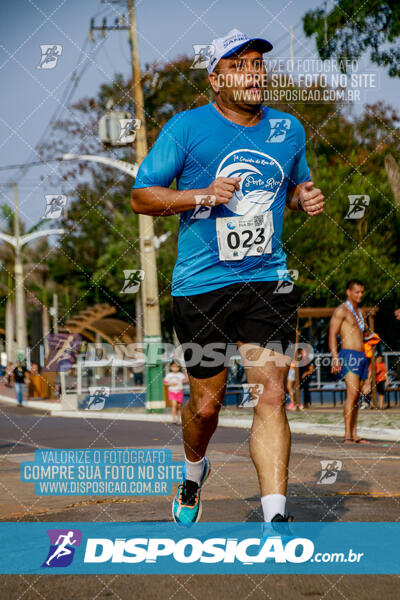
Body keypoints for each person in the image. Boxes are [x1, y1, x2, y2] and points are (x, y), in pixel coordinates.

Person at [131, 28, 324, 526]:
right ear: (216, 78)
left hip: (268, 278)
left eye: (258, 63)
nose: (255, 72)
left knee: (273, 391)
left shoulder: (289, 129)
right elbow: (142, 195)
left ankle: (275, 518)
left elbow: (295, 182)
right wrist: (202, 195)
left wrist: (305, 198)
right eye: (240, 65)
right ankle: (194, 472)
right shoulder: (186, 129)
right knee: (207, 405)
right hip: (202, 286)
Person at [329, 280, 371, 444]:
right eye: (356, 292)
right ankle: (347, 434)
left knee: (358, 395)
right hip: (348, 356)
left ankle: (354, 434)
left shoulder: (359, 312)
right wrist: (335, 358)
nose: (360, 295)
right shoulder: (341, 311)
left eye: (361, 292)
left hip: (362, 356)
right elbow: (332, 334)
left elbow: (363, 333)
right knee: (352, 394)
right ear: (348, 292)